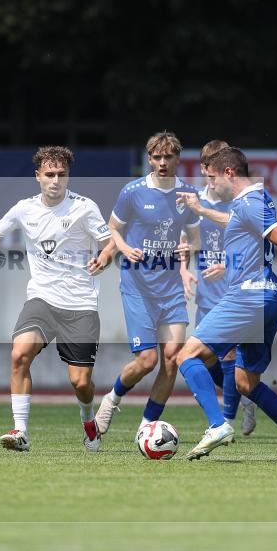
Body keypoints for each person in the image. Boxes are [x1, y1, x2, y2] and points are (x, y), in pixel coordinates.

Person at [0, 146, 115, 453]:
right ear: (37, 176)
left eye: (61, 175)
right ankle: (20, 431)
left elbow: (110, 243)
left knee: (80, 383)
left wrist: (105, 258)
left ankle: (88, 418)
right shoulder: (24, 208)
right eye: (49, 174)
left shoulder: (85, 207)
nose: (56, 181)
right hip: (41, 298)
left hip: (80, 304)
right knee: (19, 355)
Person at [174, 146, 277, 461]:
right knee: (245, 382)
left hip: (248, 297)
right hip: (268, 298)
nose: (210, 186)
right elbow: (239, 228)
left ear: (230, 173)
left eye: (212, 179)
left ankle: (217, 425)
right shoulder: (252, 201)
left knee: (186, 354)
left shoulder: (249, 203)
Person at [94, 131, 201, 440]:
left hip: (170, 290)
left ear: (178, 159)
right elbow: (113, 228)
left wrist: (188, 249)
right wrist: (123, 249)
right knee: (147, 360)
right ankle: (111, 399)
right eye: (157, 157)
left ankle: (146, 426)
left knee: (172, 359)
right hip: (138, 287)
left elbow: (194, 238)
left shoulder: (188, 196)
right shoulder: (133, 191)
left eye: (168, 157)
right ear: (150, 159)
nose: (163, 162)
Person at [179, 140, 258, 437]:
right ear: (204, 167)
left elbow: (247, 231)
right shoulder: (194, 200)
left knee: (227, 357)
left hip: (237, 287)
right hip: (207, 290)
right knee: (204, 358)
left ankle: (225, 421)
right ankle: (245, 395)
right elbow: (184, 238)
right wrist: (184, 269)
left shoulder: (238, 198)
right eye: (211, 163)